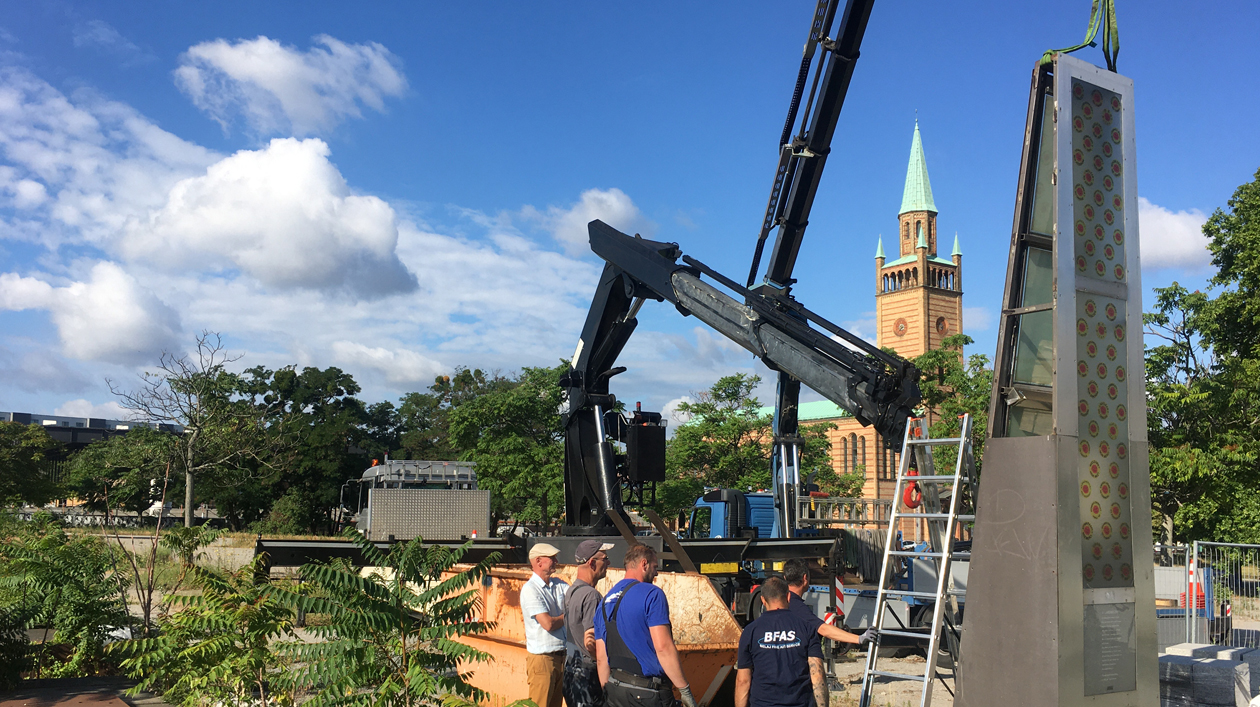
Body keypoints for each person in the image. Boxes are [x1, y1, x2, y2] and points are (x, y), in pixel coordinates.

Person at [593, 544, 697, 707]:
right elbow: (663, 648)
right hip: (648, 693)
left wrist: (608, 693)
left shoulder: (605, 602)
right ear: (644, 564)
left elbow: (601, 658)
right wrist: (685, 690)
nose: (656, 573)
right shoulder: (652, 594)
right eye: (655, 567)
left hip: (615, 688)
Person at [735, 576, 827, 707]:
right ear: (788, 597)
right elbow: (817, 675)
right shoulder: (806, 628)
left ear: (763, 600)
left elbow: (743, 681)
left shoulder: (750, 632)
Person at [564, 539, 615, 707]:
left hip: (572, 670)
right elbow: (592, 641)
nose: (608, 562)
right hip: (588, 675)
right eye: (604, 558)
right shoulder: (591, 596)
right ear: (592, 563)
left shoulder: (572, 591)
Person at [782, 558, 874, 650]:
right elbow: (823, 629)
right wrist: (859, 638)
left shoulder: (779, 600)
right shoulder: (796, 606)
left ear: (785, 578)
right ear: (805, 578)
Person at [521, 542, 569, 707]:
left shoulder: (560, 585)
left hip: (561, 656)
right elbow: (548, 624)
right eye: (552, 558)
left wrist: (563, 617)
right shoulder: (530, 589)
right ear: (539, 561)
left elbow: (576, 605)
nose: (556, 561)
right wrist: (567, 616)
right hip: (543, 660)